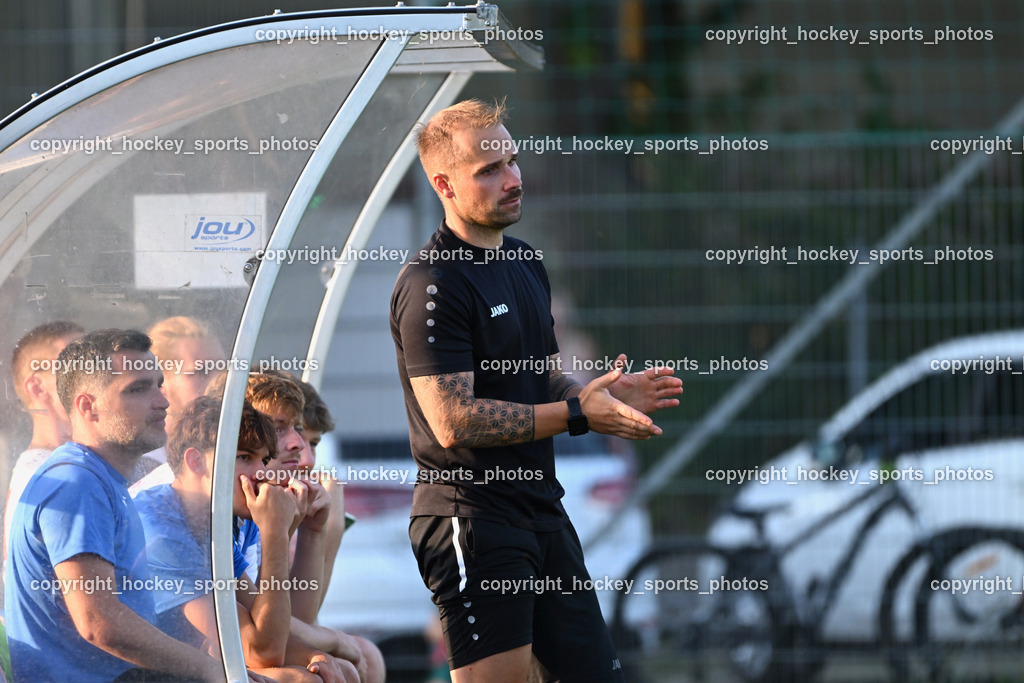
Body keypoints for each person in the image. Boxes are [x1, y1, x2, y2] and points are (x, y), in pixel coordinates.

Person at [390, 99, 683, 682]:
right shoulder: (433, 283)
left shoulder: (525, 261)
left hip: (542, 510)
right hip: (472, 517)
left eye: (513, 161)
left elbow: (542, 375)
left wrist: (601, 395)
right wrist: (578, 413)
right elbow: (454, 421)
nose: (513, 179)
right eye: (489, 170)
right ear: (444, 184)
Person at [4, 329, 228, 682]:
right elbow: (98, 621)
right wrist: (212, 670)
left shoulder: (99, 479)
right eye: (138, 389)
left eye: (159, 384)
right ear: (88, 406)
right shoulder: (77, 482)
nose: (162, 401)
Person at [133, 395, 356, 683]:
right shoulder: (162, 527)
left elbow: (265, 622)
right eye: (244, 457)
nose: (261, 473)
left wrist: (313, 655)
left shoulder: (212, 520)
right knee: (304, 681)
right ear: (196, 461)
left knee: (341, 670)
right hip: (138, 675)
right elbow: (263, 651)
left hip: (190, 668)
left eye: (264, 459)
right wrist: (275, 533)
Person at [244, 372, 385, 683]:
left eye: (313, 442)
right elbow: (269, 639)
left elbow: (294, 617)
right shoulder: (235, 506)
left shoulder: (274, 501)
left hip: (253, 646)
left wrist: (319, 530)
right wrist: (334, 640)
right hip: (220, 655)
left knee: (363, 659)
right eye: (279, 430)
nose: (305, 457)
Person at [4, 321, 84, 567]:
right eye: (77, 365)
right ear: (38, 387)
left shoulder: (62, 468)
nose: (96, 376)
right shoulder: (49, 477)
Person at [131, 316, 227, 483]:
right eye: (201, 372)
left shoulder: (238, 445)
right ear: (159, 383)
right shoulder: (135, 467)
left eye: (222, 369)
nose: (218, 381)